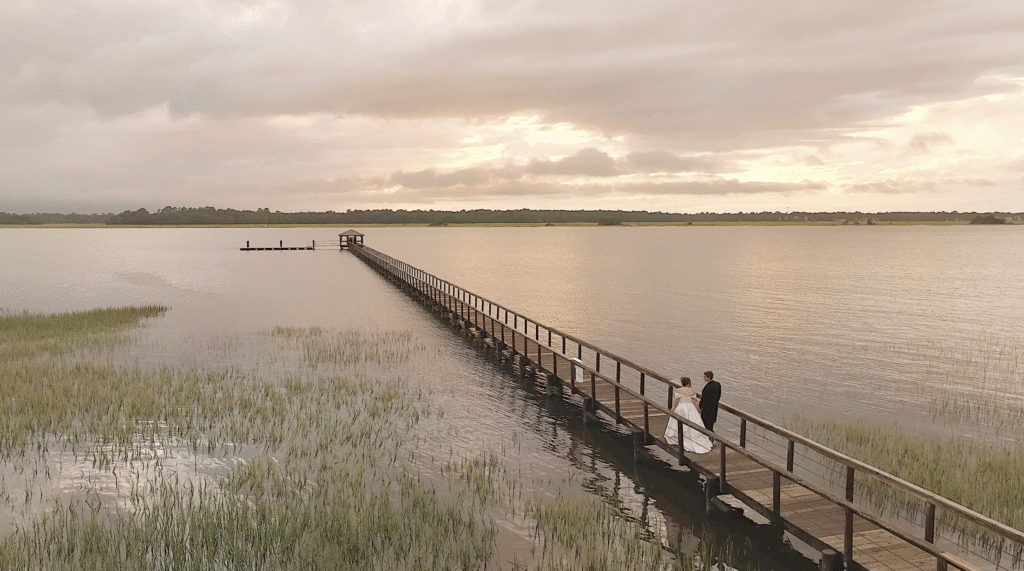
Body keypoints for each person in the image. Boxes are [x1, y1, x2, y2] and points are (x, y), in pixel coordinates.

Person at [663, 377, 713, 454]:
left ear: (682, 383)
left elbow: (676, 401)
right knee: (694, 422)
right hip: (690, 407)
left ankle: (677, 437)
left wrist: (673, 409)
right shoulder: (692, 390)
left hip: (681, 407)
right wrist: (698, 410)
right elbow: (695, 402)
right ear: (689, 383)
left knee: (677, 422)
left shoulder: (679, 390)